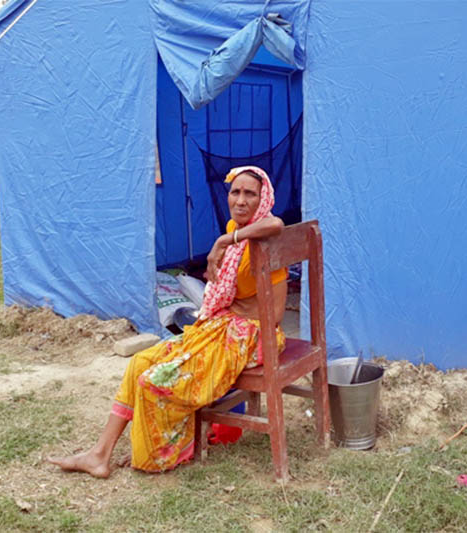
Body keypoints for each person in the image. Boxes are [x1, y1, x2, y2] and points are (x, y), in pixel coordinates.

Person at [47, 166, 288, 478]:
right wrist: (230, 242)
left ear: (263, 198)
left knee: (156, 380)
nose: (240, 200)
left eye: (250, 194)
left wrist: (224, 240)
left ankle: (163, 450)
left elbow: (277, 231)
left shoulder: (263, 239)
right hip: (222, 325)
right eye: (235, 192)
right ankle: (99, 454)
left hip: (252, 335)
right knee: (140, 363)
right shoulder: (239, 230)